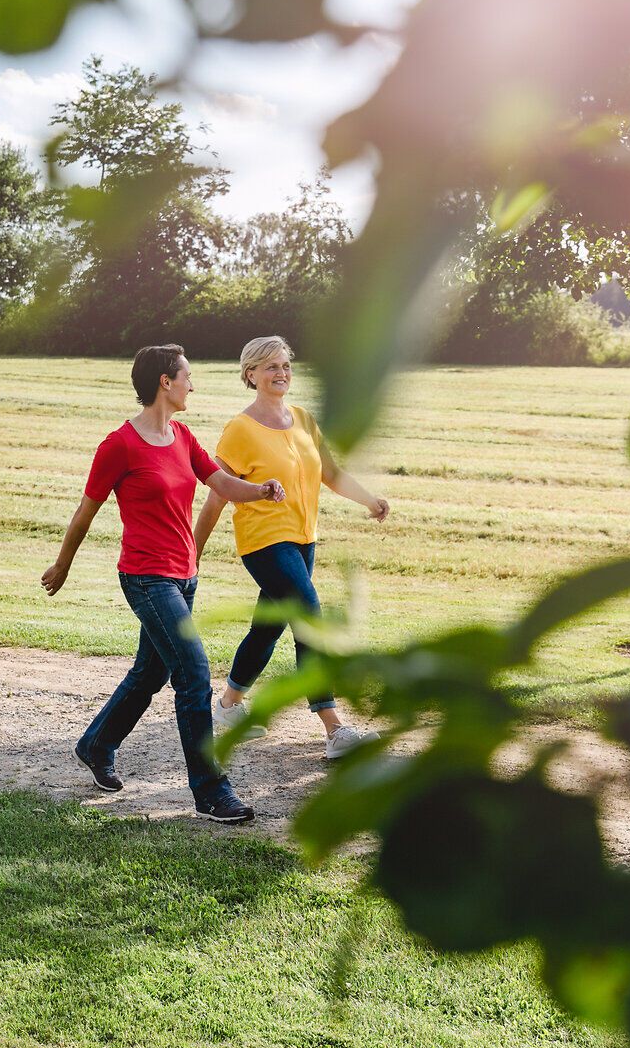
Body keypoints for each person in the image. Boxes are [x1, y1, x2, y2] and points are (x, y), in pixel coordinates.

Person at [42, 344, 286, 825]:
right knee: (193, 673)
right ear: (164, 382)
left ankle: (96, 744)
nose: (192, 385)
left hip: (184, 575)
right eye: (187, 376)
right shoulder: (119, 446)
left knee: (151, 673)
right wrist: (62, 566)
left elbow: (222, 483)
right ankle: (212, 791)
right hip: (146, 577)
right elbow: (85, 512)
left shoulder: (183, 436)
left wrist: (260, 490)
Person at [193, 335, 390, 759]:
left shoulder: (303, 418)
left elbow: (331, 474)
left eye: (284, 365)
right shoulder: (240, 429)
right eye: (270, 367)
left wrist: (370, 499)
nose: (281, 373)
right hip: (263, 542)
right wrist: (192, 553)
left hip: (303, 540)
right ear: (251, 374)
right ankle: (334, 728)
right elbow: (217, 494)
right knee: (308, 614)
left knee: (270, 623)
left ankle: (228, 705)